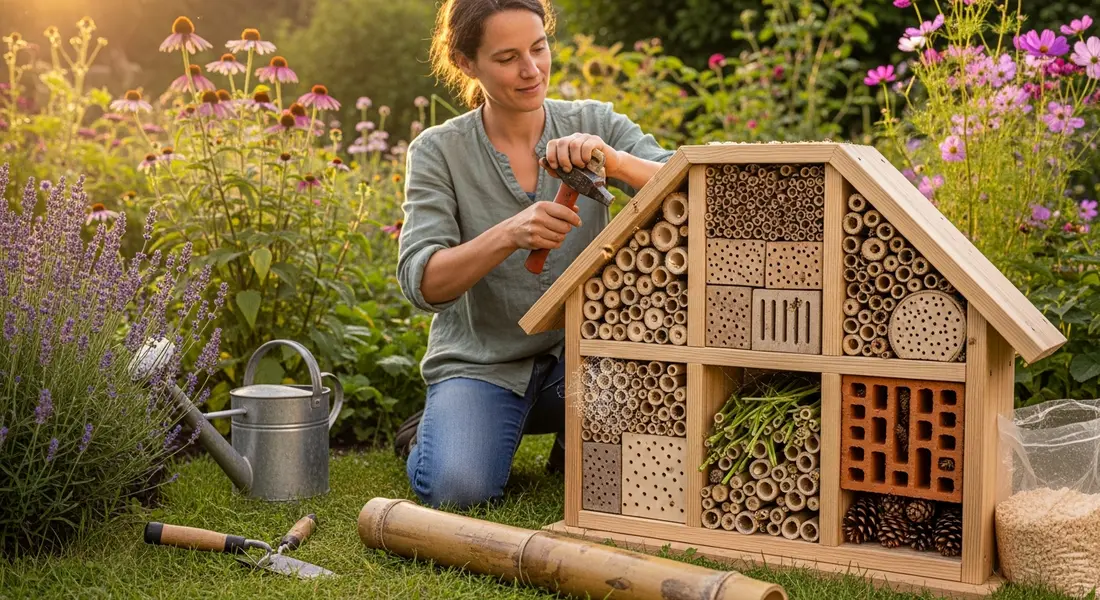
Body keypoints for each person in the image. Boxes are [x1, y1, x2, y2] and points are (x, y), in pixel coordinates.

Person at [394, 0, 675, 510]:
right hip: (484, 364)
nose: (531, 70)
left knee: (623, 475)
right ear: (465, 62)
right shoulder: (438, 152)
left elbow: (688, 186)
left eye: (538, 48)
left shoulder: (595, 122)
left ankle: (575, 449)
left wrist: (616, 161)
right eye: (507, 58)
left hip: (587, 357)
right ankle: (431, 432)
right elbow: (424, 282)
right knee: (459, 490)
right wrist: (508, 234)